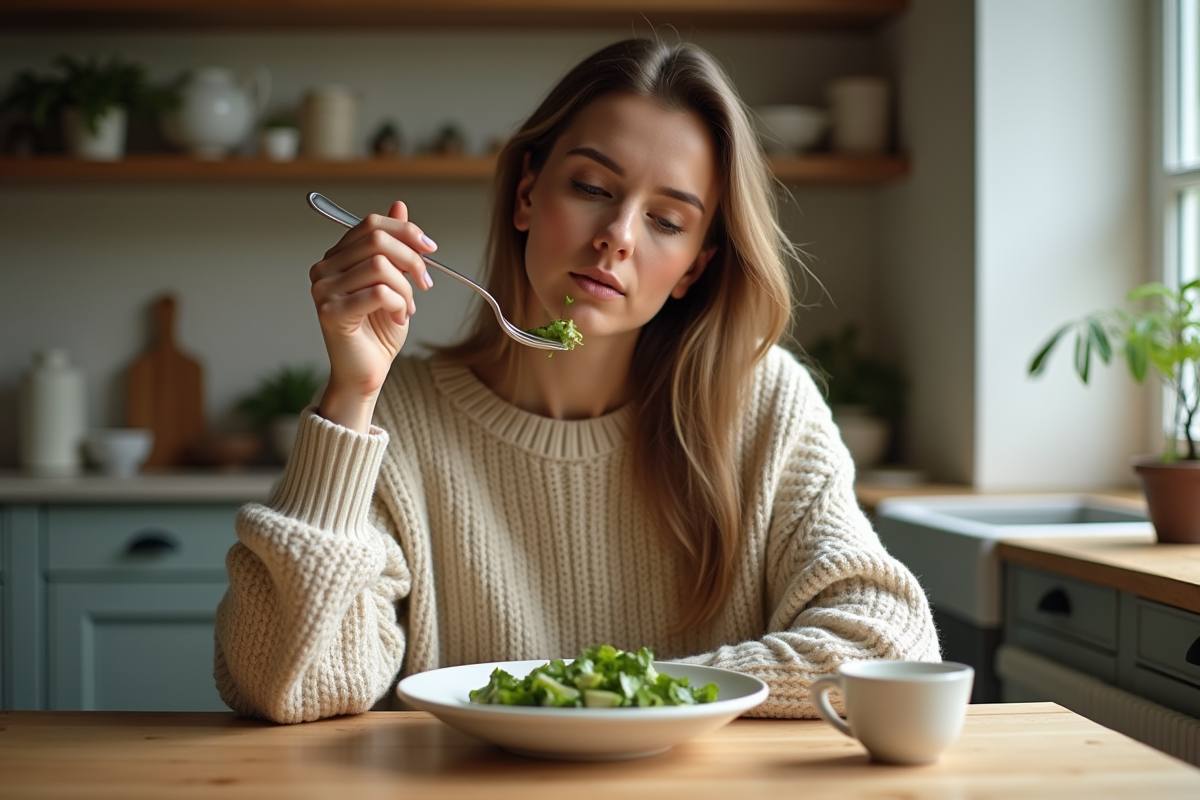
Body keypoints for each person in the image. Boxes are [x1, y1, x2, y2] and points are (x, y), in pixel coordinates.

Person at [214, 37, 940, 725]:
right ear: (528, 194)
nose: (618, 234)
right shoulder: (391, 415)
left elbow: (889, 646)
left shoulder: (763, 403)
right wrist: (350, 399)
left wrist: (605, 699)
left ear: (695, 266)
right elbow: (285, 681)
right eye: (592, 186)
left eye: (666, 219)